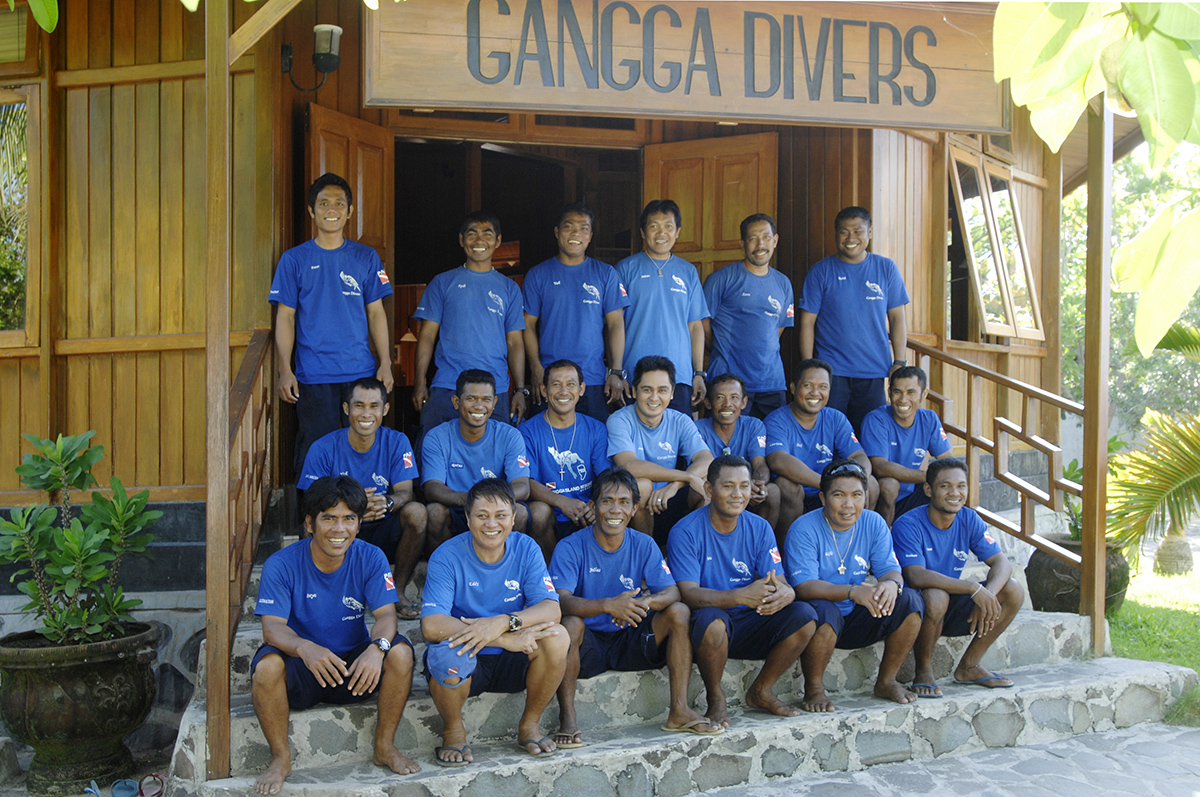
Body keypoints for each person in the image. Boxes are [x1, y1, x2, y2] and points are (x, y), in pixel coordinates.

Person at [250, 476, 418, 795]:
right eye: (329, 518)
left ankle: (384, 747)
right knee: (267, 667)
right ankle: (280, 758)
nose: (339, 529)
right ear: (310, 523)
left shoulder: (371, 557)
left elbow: (385, 616)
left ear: (358, 523)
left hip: (353, 672)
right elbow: (272, 629)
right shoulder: (281, 564)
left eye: (349, 519)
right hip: (304, 667)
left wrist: (377, 648)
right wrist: (304, 648)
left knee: (400, 652)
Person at [549, 468, 723, 746]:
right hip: (588, 647)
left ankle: (679, 710)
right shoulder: (570, 546)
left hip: (631, 637)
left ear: (634, 510)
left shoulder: (644, 543)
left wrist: (643, 603)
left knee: (678, 612)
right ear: (593, 507)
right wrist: (608, 605)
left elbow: (673, 591)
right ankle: (568, 718)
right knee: (570, 624)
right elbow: (559, 601)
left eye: (624, 502)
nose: (614, 510)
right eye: (606, 502)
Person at [420, 478, 568, 766]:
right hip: (469, 657)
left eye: (501, 516)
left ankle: (530, 725)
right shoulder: (446, 556)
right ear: (467, 518)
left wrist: (503, 622)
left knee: (557, 636)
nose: (492, 524)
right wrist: (498, 637)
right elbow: (432, 624)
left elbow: (552, 609)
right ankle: (453, 731)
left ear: (514, 519)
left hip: (514, 657)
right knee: (445, 655)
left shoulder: (526, 548)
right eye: (482, 515)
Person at [667, 455, 821, 728]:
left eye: (744, 486)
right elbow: (688, 594)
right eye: (728, 486)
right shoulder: (685, 531)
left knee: (805, 616)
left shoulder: (759, 527)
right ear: (709, 489)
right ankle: (716, 699)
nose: (738, 494)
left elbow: (778, 580)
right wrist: (738, 596)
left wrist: (786, 593)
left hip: (751, 618)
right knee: (713, 623)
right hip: (708, 625)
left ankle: (761, 690)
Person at [269, 173, 394, 477]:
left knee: (364, 443)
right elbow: (285, 316)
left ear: (350, 211)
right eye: (323, 203)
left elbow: (376, 313)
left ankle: (364, 514)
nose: (332, 209)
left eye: (339, 203)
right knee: (316, 447)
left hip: (361, 371)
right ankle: (312, 518)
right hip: (314, 373)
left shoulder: (366, 256)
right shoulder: (294, 259)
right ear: (312, 211)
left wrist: (386, 363)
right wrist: (285, 369)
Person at [786, 460, 924, 712]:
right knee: (823, 610)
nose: (849, 504)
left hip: (858, 614)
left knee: (910, 601)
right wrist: (852, 591)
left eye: (857, 495)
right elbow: (803, 586)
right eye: (839, 495)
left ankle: (886, 681)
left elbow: (891, 569)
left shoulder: (873, 522)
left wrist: (892, 585)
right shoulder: (803, 528)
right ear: (823, 498)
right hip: (819, 620)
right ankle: (814, 688)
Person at [297, 377, 427, 619]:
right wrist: (354, 509)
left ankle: (396, 590)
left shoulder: (397, 442)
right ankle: (317, 594)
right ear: (347, 409)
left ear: (385, 410)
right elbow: (312, 500)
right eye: (359, 405)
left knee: (417, 512)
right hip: (340, 527)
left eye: (374, 406)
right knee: (309, 527)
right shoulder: (323, 447)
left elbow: (405, 493)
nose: (366, 413)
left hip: (381, 526)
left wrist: (387, 503)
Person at [893, 458, 1024, 695]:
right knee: (936, 596)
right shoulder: (908, 524)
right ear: (928, 489)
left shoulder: (969, 518)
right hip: (915, 609)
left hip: (952, 604)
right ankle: (923, 671)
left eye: (961, 486)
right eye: (945, 486)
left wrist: (988, 595)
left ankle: (969, 666)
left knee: (1012, 589)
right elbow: (916, 576)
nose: (955, 493)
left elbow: (1001, 562)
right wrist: (973, 588)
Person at [798, 206, 910, 436]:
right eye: (844, 232)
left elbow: (897, 318)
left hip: (874, 370)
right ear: (836, 234)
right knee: (828, 435)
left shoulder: (886, 268)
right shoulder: (821, 271)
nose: (851, 238)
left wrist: (900, 360)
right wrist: (809, 366)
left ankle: (865, 474)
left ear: (870, 233)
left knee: (870, 436)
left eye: (858, 231)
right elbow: (807, 322)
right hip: (831, 372)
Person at [412, 211, 527, 429]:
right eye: (472, 234)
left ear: (498, 241)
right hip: (448, 385)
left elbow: (515, 342)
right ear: (461, 240)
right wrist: (420, 383)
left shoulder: (510, 288)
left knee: (494, 457)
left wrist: (520, 389)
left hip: (495, 389)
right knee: (434, 453)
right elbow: (426, 335)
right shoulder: (442, 282)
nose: (479, 241)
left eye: (487, 234)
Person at [522, 203, 630, 420]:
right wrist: (535, 368)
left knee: (593, 443)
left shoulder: (605, 274)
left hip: (592, 379)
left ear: (590, 235)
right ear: (556, 232)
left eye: (583, 228)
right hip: (549, 378)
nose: (576, 234)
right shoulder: (538, 275)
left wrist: (616, 371)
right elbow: (528, 325)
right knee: (544, 443)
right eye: (569, 227)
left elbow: (616, 324)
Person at [607, 356, 713, 544]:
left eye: (662, 390)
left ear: (672, 393)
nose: (654, 398)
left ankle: (692, 553)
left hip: (669, 499)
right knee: (642, 485)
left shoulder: (680, 420)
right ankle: (648, 558)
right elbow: (628, 466)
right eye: (647, 390)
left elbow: (706, 459)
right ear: (633, 390)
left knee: (704, 485)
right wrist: (685, 477)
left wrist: (674, 486)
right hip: (633, 507)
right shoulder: (619, 420)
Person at [617, 199, 709, 414]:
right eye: (654, 226)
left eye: (668, 226)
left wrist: (698, 373)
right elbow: (615, 324)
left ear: (677, 232)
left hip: (679, 377)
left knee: (676, 443)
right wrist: (617, 371)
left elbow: (695, 326)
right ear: (643, 232)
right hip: (634, 376)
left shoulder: (688, 272)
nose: (661, 233)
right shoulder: (626, 269)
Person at [421, 370, 531, 549]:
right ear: (456, 402)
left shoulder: (510, 435)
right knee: (434, 512)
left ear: (495, 403)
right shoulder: (437, 436)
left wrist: (486, 503)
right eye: (471, 398)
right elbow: (432, 488)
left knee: (520, 512)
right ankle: (447, 571)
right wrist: (472, 501)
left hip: (495, 508)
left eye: (486, 399)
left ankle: (506, 570)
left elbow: (522, 487)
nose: (479, 406)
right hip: (456, 506)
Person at [702, 213, 794, 419]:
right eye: (753, 238)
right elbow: (702, 325)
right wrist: (720, 349)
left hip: (771, 383)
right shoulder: (721, 279)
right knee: (725, 447)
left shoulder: (783, 283)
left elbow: (777, 328)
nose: (760, 244)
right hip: (728, 383)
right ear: (742, 243)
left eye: (766, 237)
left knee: (769, 447)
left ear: (775, 240)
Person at [766, 359, 873, 532]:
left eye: (823, 387)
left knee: (870, 483)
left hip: (830, 492)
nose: (815, 393)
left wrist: (856, 482)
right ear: (793, 388)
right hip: (799, 494)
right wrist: (829, 484)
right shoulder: (777, 420)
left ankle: (855, 548)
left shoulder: (835, 418)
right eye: (808, 385)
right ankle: (788, 554)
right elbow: (779, 460)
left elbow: (858, 456)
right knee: (786, 486)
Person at [520, 360, 611, 561]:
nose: (563, 391)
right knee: (539, 512)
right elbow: (526, 481)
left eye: (570, 384)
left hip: (588, 511)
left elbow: (605, 475)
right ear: (544, 390)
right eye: (556, 384)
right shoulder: (526, 432)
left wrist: (595, 504)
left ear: (581, 389)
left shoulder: (595, 429)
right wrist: (562, 502)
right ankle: (551, 582)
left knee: (610, 505)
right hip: (551, 511)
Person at [860, 365, 952, 525]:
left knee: (950, 486)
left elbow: (949, 461)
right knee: (890, 485)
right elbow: (880, 467)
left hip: (913, 492)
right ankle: (883, 537)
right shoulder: (876, 419)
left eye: (911, 392)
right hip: (881, 497)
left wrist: (945, 480)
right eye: (897, 392)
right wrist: (930, 476)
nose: (903, 399)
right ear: (889, 393)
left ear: (924, 394)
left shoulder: (929, 418)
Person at [695, 374, 780, 536]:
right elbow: (697, 472)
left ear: (744, 403)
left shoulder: (754, 425)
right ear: (708, 403)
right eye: (720, 398)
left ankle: (760, 544)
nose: (727, 404)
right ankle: (706, 544)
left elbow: (760, 464)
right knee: (702, 491)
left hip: (743, 491)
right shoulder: (697, 428)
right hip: (711, 490)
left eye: (734, 397)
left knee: (772, 491)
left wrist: (756, 485)